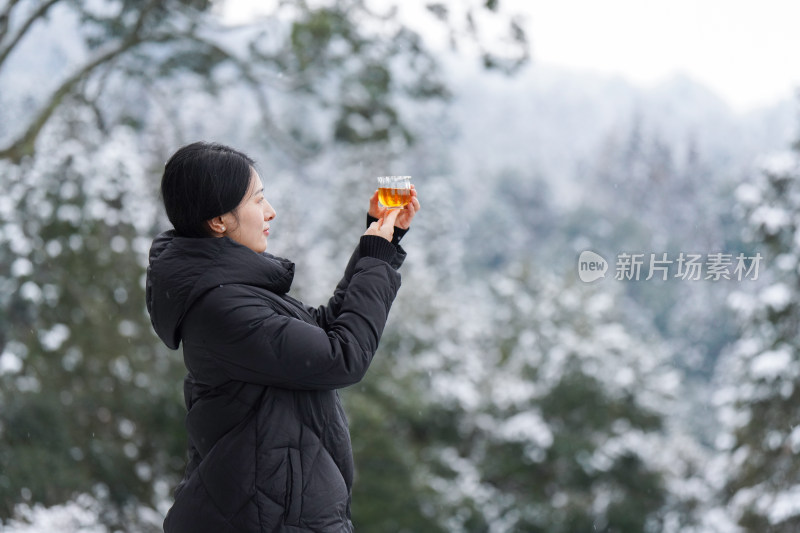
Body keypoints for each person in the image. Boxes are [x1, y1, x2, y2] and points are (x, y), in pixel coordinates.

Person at [145, 141, 419, 532]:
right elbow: (340, 356)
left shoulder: (235, 294)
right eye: (257, 200)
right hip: (260, 519)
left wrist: (380, 245)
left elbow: (324, 328)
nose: (270, 211)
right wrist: (374, 259)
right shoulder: (223, 310)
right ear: (219, 221)